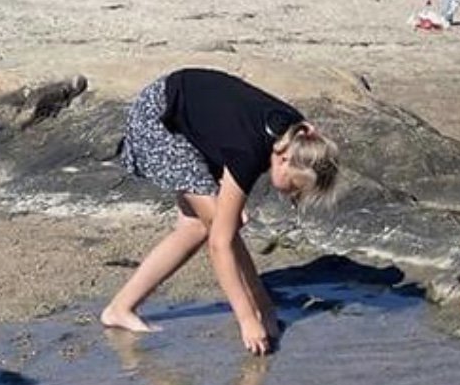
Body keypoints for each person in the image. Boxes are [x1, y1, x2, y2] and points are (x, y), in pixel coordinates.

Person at [101, 69, 340, 354]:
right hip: (159, 119)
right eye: (294, 187)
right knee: (214, 228)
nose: (292, 195)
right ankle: (258, 308)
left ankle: (120, 309)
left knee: (198, 226)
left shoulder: (297, 134)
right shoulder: (250, 151)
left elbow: (228, 128)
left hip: (197, 120)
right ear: (284, 158)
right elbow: (220, 244)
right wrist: (248, 319)